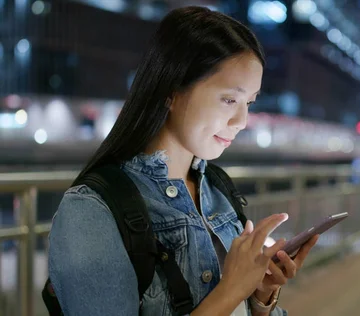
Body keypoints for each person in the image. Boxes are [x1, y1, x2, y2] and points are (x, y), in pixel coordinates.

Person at [47, 6, 319, 316]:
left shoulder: (216, 190)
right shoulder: (92, 210)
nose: (242, 120)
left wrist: (260, 296)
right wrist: (231, 290)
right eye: (230, 99)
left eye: (249, 103)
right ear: (171, 91)